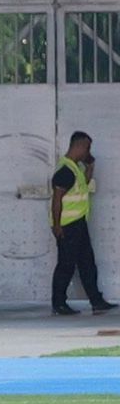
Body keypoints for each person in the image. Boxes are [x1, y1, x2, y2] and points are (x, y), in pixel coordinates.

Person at [51, 131, 115, 316]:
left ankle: (96, 301)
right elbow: (57, 200)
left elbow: (83, 185)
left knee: (87, 263)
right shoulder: (65, 170)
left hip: (78, 224)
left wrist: (90, 167)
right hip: (67, 225)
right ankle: (59, 303)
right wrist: (57, 225)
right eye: (87, 148)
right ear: (78, 146)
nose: (88, 151)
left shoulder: (75, 168)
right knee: (66, 265)